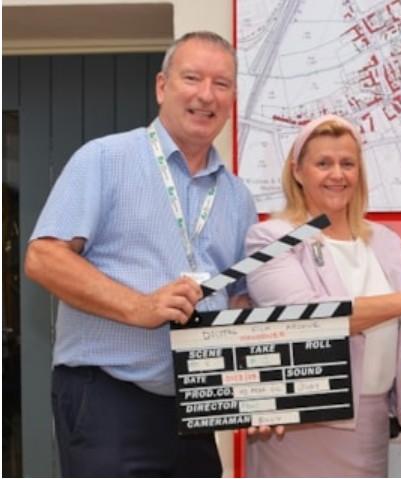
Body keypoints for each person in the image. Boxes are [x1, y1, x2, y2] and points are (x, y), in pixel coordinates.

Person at [23, 31, 257, 477]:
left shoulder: (238, 196)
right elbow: (44, 257)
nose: (206, 95)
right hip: (110, 396)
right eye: (192, 78)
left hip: (198, 406)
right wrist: (141, 306)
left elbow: (239, 298)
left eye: (221, 83)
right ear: (162, 86)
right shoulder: (105, 159)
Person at [243, 114, 401, 478]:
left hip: (370, 428)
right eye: (323, 163)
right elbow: (308, 319)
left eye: (347, 164)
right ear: (297, 170)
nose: (337, 174)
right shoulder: (271, 238)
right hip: (300, 429)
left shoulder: (383, 241)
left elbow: (399, 346)